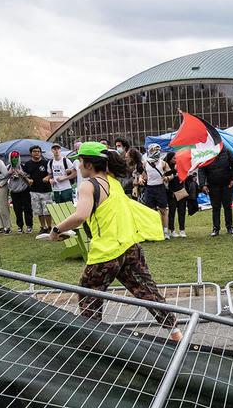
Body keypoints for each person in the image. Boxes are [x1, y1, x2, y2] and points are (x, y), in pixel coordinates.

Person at [48, 142, 181, 341]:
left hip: (107, 253)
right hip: (130, 247)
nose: (79, 165)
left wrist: (55, 230)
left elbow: (81, 215)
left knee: (88, 296)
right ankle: (175, 333)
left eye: (81, 161)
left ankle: (92, 342)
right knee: (147, 291)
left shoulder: (88, 186)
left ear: (89, 165)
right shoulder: (114, 183)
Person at [201, 145, 233, 237]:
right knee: (215, 207)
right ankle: (216, 228)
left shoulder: (226, 151)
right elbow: (201, 169)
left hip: (227, 184)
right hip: (212, 185)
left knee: (227, 207)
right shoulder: (206, 153)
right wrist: (203, 184)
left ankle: (230, 227)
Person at [139, 143, 170, 237]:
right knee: (151, 211)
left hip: (160, 188)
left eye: (158, 150)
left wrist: (167, 178)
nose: (157, 152)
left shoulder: (163, 163)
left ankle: (165, 232)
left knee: (163, 210)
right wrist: (140, 178)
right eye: (154, 150)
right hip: (150, 188)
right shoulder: (145, 163)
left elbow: (171, 174)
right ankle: (155, 231)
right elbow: (143, 174)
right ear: (150, 151)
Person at [164, 150, 197, 237]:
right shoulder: (167, 168)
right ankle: (172, 230)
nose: (176, 159)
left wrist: (191, 178)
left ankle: (182, 230)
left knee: (182, 211)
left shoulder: (180, 166)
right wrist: (173, 171)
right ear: (170, 159)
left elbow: (184, 177)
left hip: (182, 191)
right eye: (174, 158)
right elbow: (167, 177)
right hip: (172, 193)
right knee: (172, 211)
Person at [5, 151, 32, 233]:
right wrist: (8, 174)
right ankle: (20, 226)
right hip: (14, 191)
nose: (14, 159)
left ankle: (29, 225)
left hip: (24, 189)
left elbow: (29, 176)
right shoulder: (8, 167)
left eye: (16, 157)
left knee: (27, 209)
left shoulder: (23, 166)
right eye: (12, 158)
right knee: (17, 210)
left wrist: (21, 173)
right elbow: (2, 177)